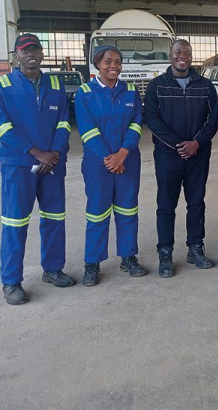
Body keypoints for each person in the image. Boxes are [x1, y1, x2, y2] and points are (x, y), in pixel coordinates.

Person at [0, 33, 75, 305]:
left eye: (36, 49)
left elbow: (63, 122)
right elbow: (1, 128)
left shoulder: (56, 84)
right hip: (19, 166)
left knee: (54, 219)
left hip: (52, 165)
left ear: (42, 54)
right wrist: (37, 153)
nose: (31, 54)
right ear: (16, 55)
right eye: (25, 50)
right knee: (15, 222)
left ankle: (52, 269)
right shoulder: (0, 86)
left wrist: (55, 153)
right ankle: (11, 282)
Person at [144, 40, 218, 277]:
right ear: (170, 55)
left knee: (196, 203)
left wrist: (196, 143)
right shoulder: (157, 86)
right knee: (166, 205)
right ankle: (165, 252)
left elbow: (213, 119)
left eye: (187, 53)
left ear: (191, 56)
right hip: (168, 156)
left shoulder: (206, 86)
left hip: (198, 155)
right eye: (178, 52)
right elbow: (152, 120)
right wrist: (178, 145)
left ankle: (195, 248)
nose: (182, 56)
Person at [75, 45, 146, 286]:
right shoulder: (84, 93)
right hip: (98, 164)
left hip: (128, 161)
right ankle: (92, 263)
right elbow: (87, 130)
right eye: (108, 61)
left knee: (128, 211)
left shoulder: (131, 92)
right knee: (97, 213)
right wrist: (110, 158)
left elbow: (136, 124)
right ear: (97, 64)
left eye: (117, 61)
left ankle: (128, 257)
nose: (113, 66)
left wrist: (123, 154)